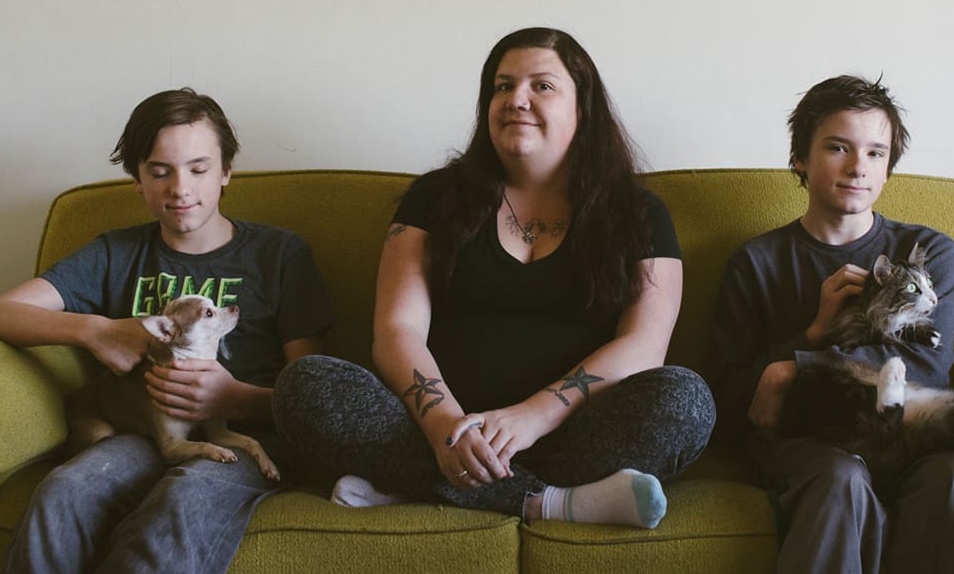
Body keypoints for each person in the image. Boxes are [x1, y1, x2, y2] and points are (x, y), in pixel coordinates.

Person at [273, 27, 714, 528]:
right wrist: (443, 426)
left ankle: (413, 486)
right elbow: (398, 330)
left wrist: (533, 415)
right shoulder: (435, 198)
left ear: (583, 107)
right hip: (432, 430)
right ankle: (548, 502)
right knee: (304, 386)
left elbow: (644, 346)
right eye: (502, 87)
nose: (516, 100)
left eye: (541, 86)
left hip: (572, 433)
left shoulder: (638, 212)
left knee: (685, 400)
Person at [0, 88, 333, 574]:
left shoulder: (279, 255)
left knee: (178, 505)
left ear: (226, 172)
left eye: (199, 169)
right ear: (137, 179)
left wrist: (235, 398)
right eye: (160, 171)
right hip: (141, 433)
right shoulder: (115, 254)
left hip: (243, 435)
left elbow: (314, 390)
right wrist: (95, 331)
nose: (180, 188)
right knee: (62, 492)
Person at [712, 75, 954, 574]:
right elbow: (729, 397)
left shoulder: (927, 251)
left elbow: (928, 367)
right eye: (837, 147)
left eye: (876, 153)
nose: (858, 167)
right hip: (813, 445)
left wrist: (794, 369)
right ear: (800, 159)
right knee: (839, 479)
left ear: (889, 167)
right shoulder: (757, 261)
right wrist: (813, 334)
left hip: (914, 434)